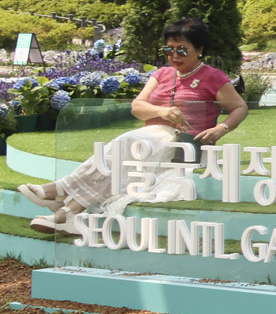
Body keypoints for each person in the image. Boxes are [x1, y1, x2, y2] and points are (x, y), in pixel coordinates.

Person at [20, 17, 246, 234]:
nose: (174, 56)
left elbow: (240, 108)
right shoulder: (162, 74)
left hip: (183, 145)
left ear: (199, 50)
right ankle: (69, 213)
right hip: (150, 140)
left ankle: (61, 191)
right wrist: (162, 112)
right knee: (123, 156)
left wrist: (221, 128)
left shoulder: (212, 77)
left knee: (125, 145)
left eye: (181, 50)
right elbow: (137, 106)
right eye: (169, 50)